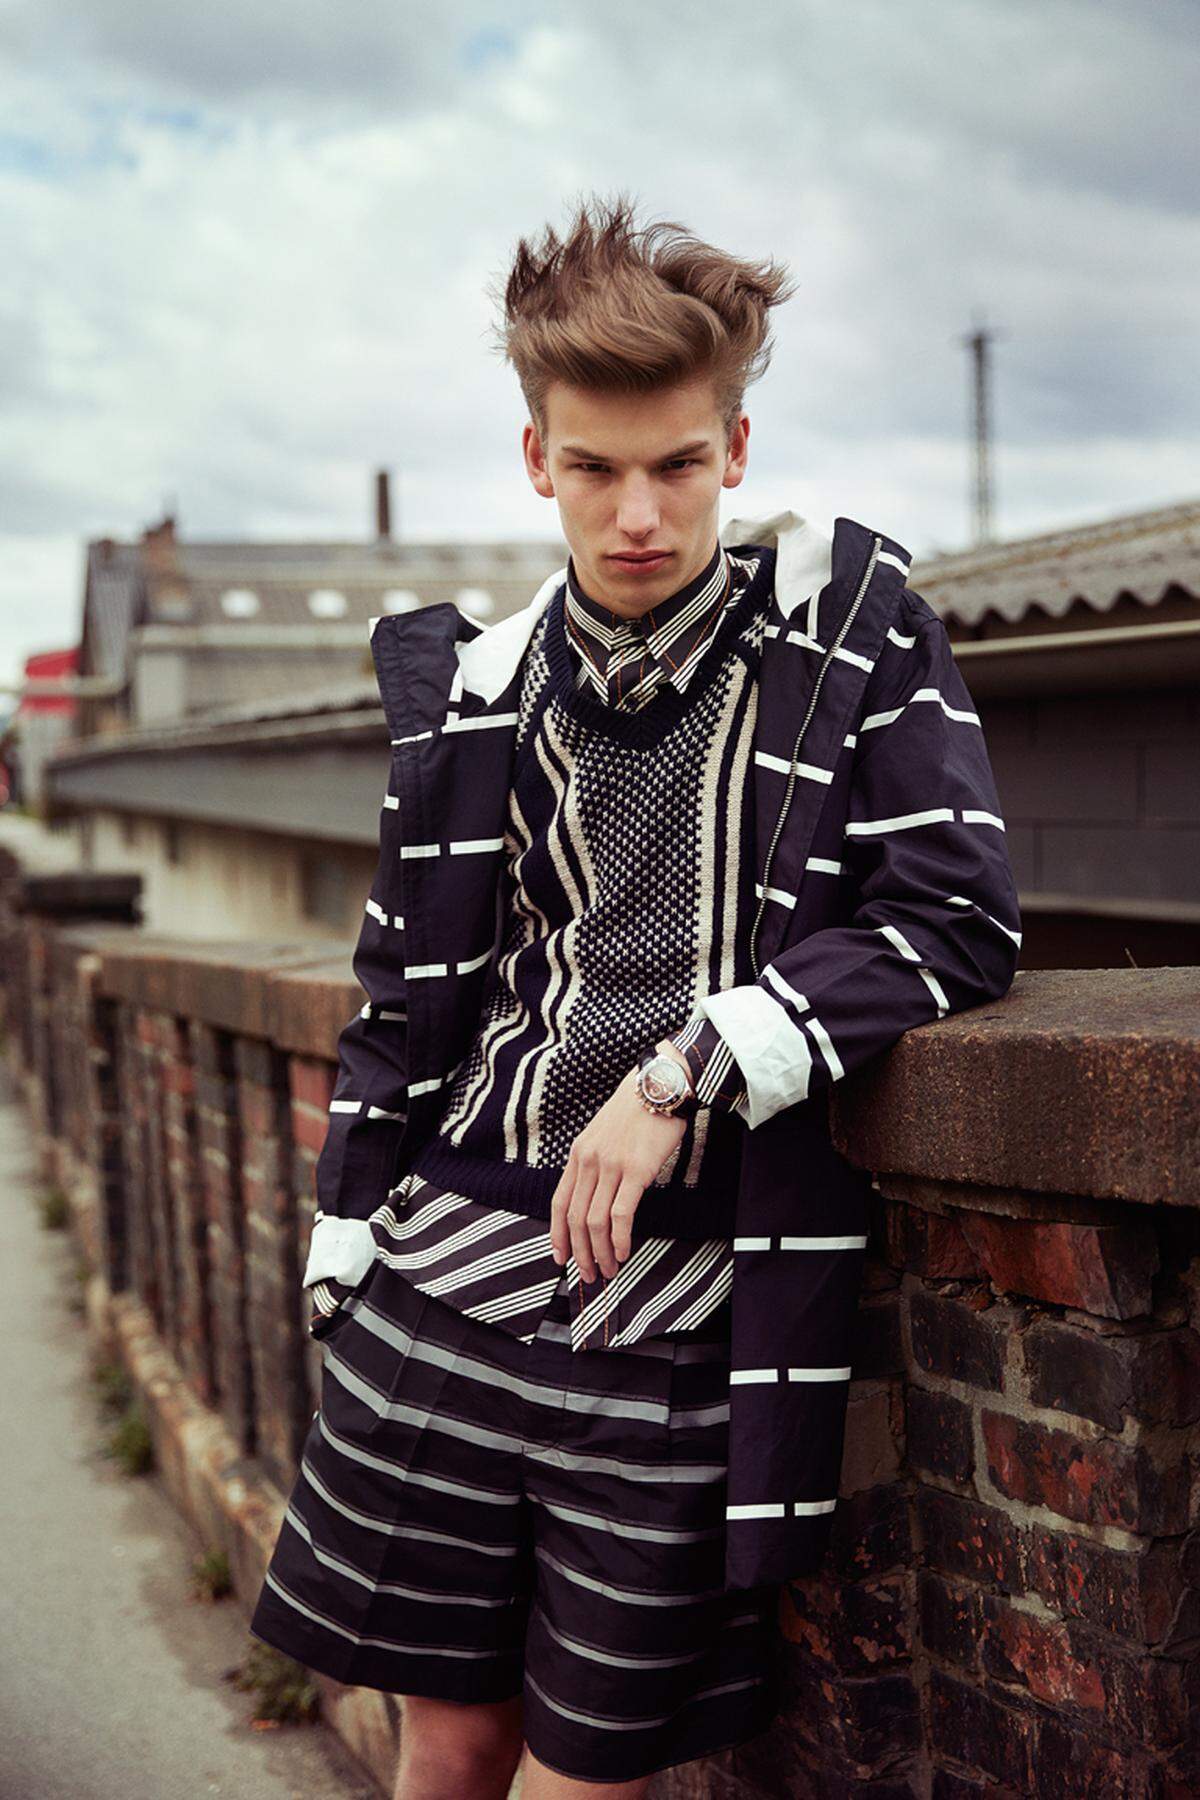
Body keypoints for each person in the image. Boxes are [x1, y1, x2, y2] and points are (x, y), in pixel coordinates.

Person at [249, 192, 1022, 1798]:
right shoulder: (474, 685)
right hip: (446, 1273)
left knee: (590, 1769)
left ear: (735, 449)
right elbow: (410, 981)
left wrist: (693, 1066)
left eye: (677, 464)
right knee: (448, 1733)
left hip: (679, 1309)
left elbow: (951, 915)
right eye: (594, 471)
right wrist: (348, 1221)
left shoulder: (851, 644)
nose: (639, 515)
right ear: (539, 463)